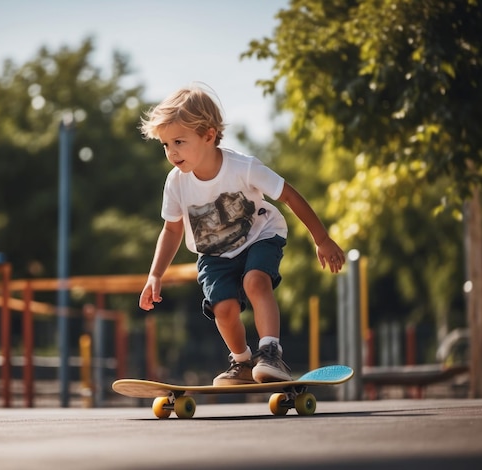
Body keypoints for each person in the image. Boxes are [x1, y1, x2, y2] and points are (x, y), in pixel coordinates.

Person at [138, 84, 345, 386]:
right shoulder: (176, 183)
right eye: (166, 145)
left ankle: (270, 352)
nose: (172, 153)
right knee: (223, 308)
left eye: (179, 142)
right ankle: (243, 362)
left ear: (208, 135)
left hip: (260, 236)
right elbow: (171, 229)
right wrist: (155, 274)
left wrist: (322, 239)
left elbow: (289, 196)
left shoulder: (243, 167)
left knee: (255, 281)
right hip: (214, 253)